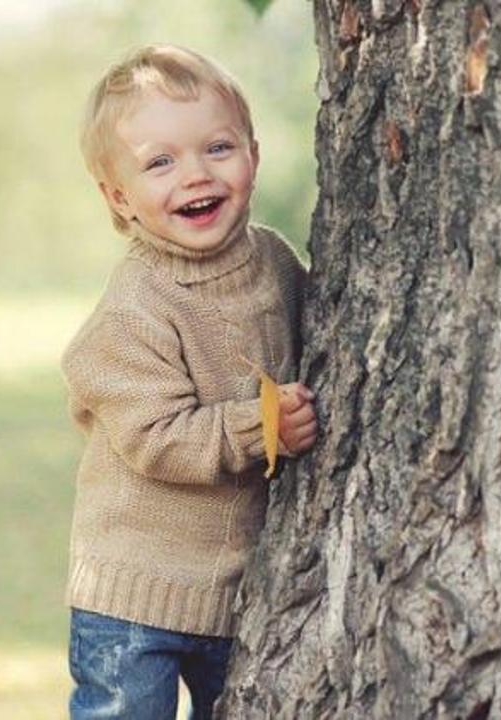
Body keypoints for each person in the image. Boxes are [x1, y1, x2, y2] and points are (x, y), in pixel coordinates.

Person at [61, 44, 317, 719]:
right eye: (159, 163)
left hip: (241, 589)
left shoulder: (276, 262)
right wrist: (263, 427)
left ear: (254, 156)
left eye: (218, 148)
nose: (195, 175)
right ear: (119, 197)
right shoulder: (135, 307)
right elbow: (154, 435)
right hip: (133, 595)